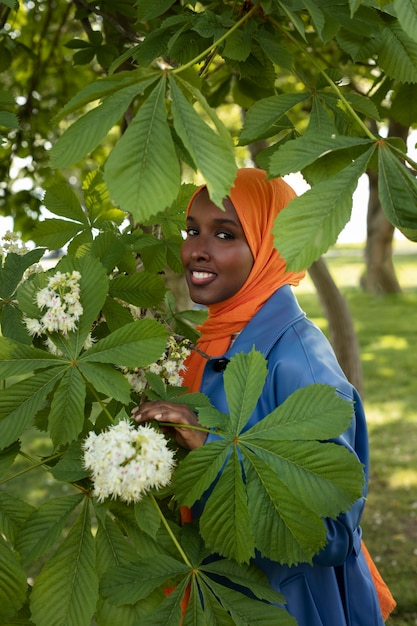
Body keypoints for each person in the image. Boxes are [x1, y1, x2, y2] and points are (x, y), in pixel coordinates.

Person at [132, 168, 395, 626]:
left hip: (293, 605)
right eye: (193, 230)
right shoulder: (212, 337)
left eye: (225, 234)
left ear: (271, 246)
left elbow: (329, 533)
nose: (197, 248)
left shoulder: (301, 361)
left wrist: (211, 448)